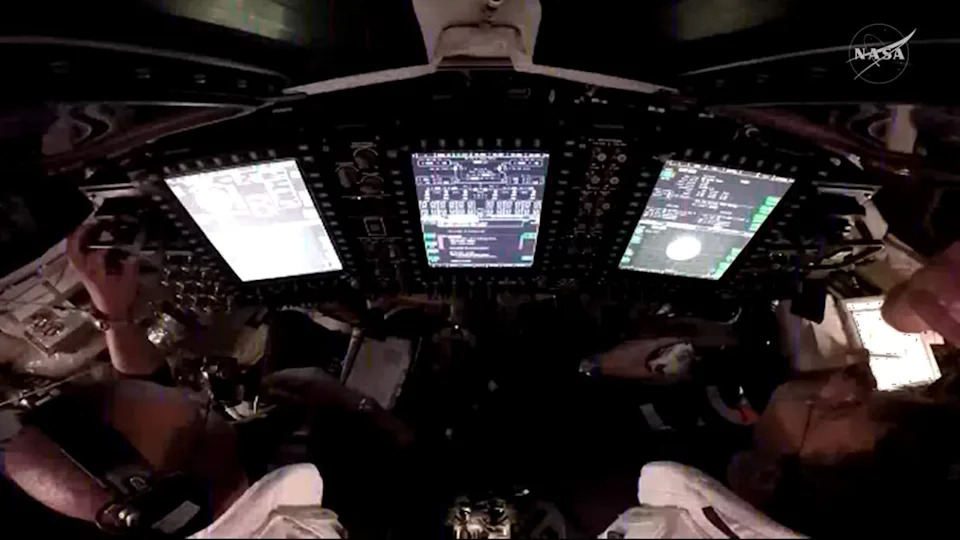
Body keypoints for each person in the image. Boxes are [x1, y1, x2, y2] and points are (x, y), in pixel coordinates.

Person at [3, 225, 958, 538]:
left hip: (448, 432)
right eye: (874, 391)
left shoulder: (645, 486)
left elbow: (507, 438)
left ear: (761, 483)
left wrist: (592, 366)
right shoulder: (725, 431)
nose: (848, 381)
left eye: (840, 412)